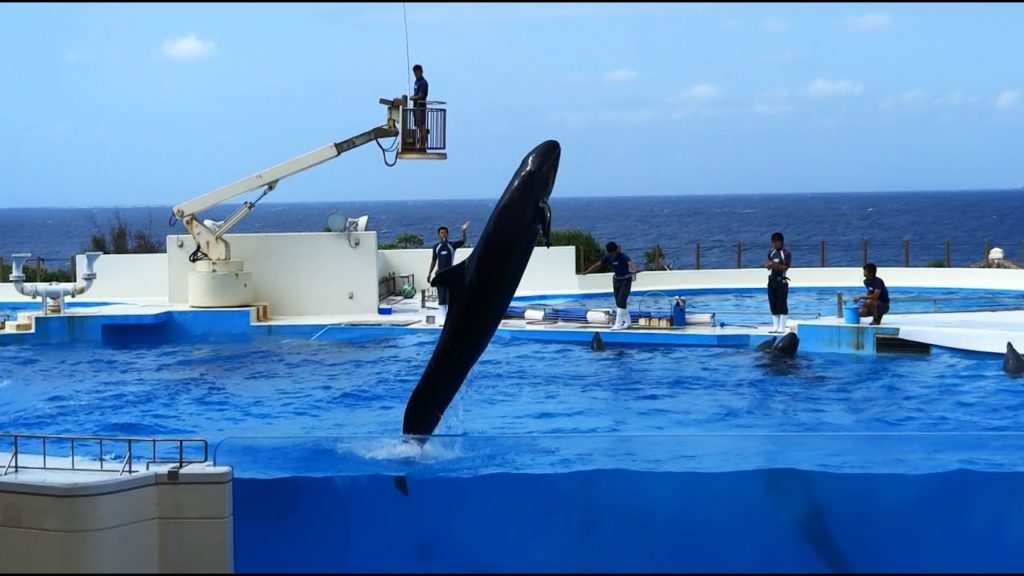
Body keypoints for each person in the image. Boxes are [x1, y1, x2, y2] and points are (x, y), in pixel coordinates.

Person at [582, 242, 640, 330]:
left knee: (621, 301)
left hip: (625, 280)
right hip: (616, 281)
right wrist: (587, 272)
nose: (613, 254)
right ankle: (628, 322)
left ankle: (618, 324)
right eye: (611, 253)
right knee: (619, 302)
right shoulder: (608, 257)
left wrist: (635, 270)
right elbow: (597, 265)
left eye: (613, 252)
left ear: (616, 250)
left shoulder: (623, 256)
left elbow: (630, 263)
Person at [427, 220, 469, 321]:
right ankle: (443, 319)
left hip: (450, 274)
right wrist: (429, 273)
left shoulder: (452, 245)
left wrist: (464, 231)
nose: (443, 234)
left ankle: (449, 317)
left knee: (449, 297)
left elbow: (463, 241)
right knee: (441, 297)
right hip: (440, 274)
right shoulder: (436, 247)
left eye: (445, 232)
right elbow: (434, 260)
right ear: (439, 235)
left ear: (448, 234)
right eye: (441, 233)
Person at [765, 231, 792, 334]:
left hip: (782, 281)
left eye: (776, 242)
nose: (774, 245)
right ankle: (775, 326)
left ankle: (782, 327)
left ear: (781, 242)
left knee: (782, 303)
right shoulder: (771, 252)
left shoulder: (786, 254)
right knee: (773, 303)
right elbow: (768, 265)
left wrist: (774, 265)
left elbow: (785, 267)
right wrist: (768, 266)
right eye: (773, 242)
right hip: (772, 281)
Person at [409, 64, 429, 150]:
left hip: (421, 108)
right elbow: (416, 93)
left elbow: (420, 95)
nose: (416, 75)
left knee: (422, 126)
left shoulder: (423, 83)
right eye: (415, 74)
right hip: (416, 108)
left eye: (417, 73)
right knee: (418, 127)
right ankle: (420, 143)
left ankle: (423, 145)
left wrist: (412, 98)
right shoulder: (416, 82)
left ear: (421, 72)